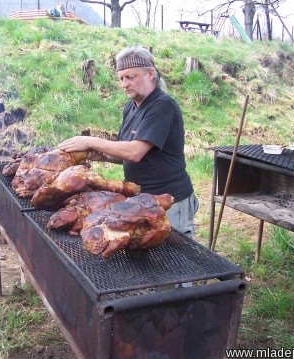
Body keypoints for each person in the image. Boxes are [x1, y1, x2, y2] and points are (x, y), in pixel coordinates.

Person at [59, 46, 199, 238]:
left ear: (150, 73)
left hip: (170, 199)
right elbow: (125, 151)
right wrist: (103, 156)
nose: (124, 84)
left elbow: (135, 152)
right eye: (121, 78)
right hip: (140, 199)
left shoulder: (163, 106)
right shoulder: (131, 107)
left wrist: (89, 141)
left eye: (130, 77)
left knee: (177, 259)